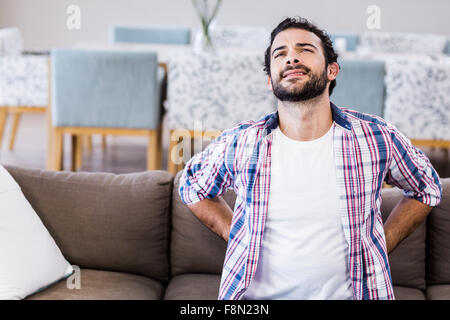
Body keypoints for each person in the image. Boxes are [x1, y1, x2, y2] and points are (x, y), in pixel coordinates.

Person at [178, 17, 442, 300]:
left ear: (332, 70)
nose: (291, 57)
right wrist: (237, 237)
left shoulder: (377, 138)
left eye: (305, 49)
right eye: (280, 54)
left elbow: (427, 187)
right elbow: (191, 185)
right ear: (270, 80)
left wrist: (377, 245)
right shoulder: (241, 142)